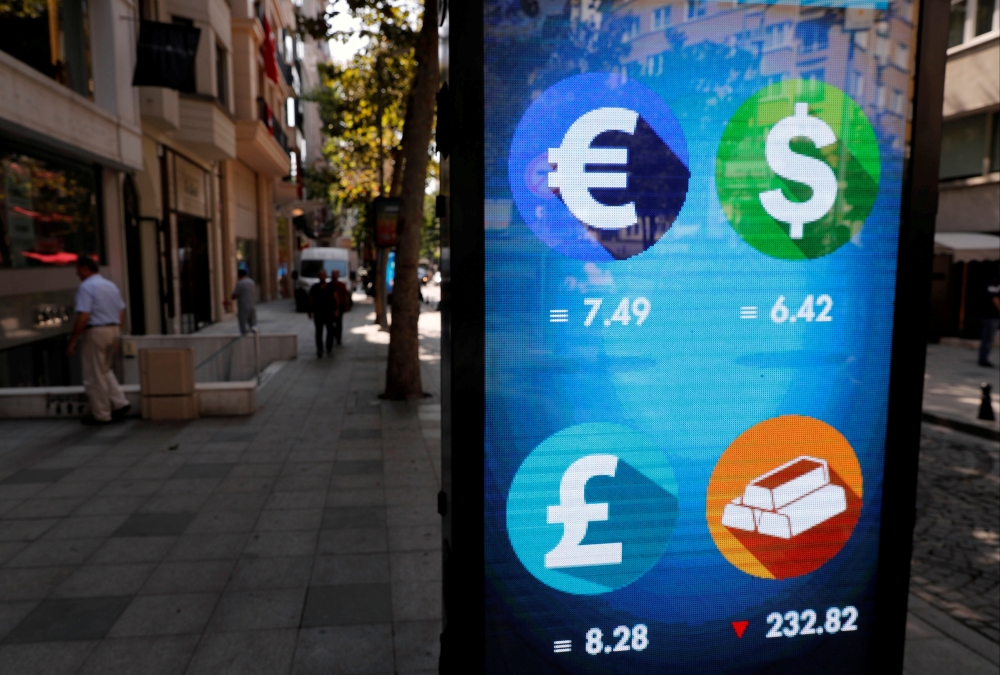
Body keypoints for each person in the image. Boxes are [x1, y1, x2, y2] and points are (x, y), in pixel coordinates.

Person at [66, 256, 130, 425]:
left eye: (78, 269)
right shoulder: (111, 286)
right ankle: (119, 402)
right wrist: (117, 332)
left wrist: (73, 340)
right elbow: (121, 312)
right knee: (104, 369)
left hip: (96, 331)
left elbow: (84, 315)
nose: (77, 273)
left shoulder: (86, 287)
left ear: (86, 268)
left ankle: (102, 414)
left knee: (94, 375)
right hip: (113, 329)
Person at [308, 269, 337, 357]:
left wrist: (337, 309)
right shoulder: (314, 287)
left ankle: (329, 347)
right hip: (318, 313)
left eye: (323, 275)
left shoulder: (331, 287)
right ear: (318, 276)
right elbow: (311, 299)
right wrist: (309, 310)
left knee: (330, 331)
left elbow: (336, 298)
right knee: (318, 332)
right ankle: (319, 349)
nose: (322, 277)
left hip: (329, 312)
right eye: (320, 275)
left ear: (326, 276)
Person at [980, 272, 1000, 367]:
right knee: (988, 338)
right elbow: (994, 297)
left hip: (994, 315)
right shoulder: (995, 281)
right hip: (991, 315)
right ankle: (983, 359)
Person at [231, 268, 257, 335]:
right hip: (252, 305)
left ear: (239, 275)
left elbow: (235, 295)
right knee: (253, 323)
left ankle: (244, 337)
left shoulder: (240, 283)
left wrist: (232, 297)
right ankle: (256, 336)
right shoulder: (251, 282)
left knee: (243, 324)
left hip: (243, 306)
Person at [331, 269, 351, 346]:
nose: (334, 276)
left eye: (336, 274)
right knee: (331, 324)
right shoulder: (330, 285)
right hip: (331, 307)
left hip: (340, 306)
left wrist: (347, 305)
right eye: (333, 274)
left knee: (339, 323)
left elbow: (345, 296)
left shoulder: (341, 285)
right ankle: (332, 336)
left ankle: (338, 338)